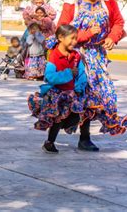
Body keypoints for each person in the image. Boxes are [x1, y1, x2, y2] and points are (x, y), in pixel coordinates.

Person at [53, 0, 127, 149]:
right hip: (77, 56)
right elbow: (61, 32)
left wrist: (112, 37)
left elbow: (118, 22)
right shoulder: (72, 5)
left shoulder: (108, 2)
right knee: (82, 95)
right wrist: (86, 35)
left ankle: (82, 131)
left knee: (105, 95)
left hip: (98, 56)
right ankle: (82, 136)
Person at [28, 25, 89, 153]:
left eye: (76, 38)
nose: (75, 41)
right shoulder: (54, 56)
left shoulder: (76, 56)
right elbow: (50, 77)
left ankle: (62, 125)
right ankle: (49, 143)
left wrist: (79, 87)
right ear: (60, 37)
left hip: (72, 93)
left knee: (77, 117)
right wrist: (67, 74)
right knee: (57, 118)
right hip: (56, 94)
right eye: (72, 38)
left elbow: (81, 73)